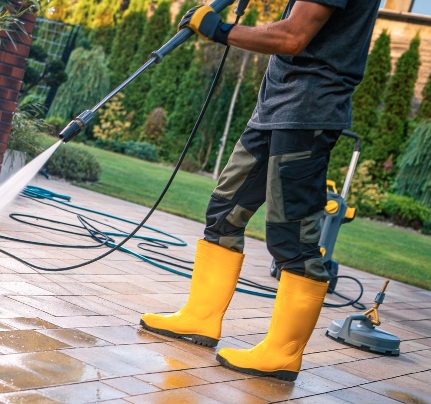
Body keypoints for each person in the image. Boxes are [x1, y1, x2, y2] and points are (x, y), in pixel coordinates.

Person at [140, 0, 380, 382]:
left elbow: (292, 36)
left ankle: (283, 354)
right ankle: (200, 318)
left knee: (292, 236)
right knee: (224, 211)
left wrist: (221, 31)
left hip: (307, 112)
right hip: (275, 109)